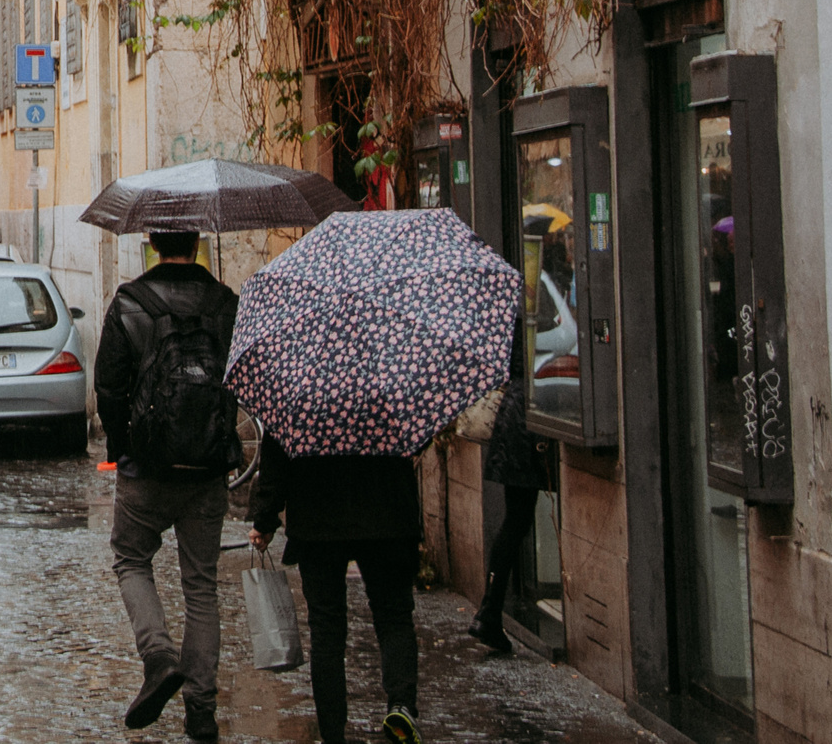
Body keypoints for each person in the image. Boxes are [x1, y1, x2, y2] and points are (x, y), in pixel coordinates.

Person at [95, 230, 243, 738]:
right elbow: (240, 381)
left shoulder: (130, 304)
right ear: (197, 242)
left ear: (154, 244)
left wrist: (123, 448)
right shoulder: (226, 303)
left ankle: (158, 657)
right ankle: (202, 710)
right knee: (201, 586)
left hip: (147, 468)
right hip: (207, 470)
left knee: (131, 559)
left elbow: (109, 389)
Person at [249, 432, 427, 744]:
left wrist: (265, 519)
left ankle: (332, 732)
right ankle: (401, 704)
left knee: (326, 630)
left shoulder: (302, 388)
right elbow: (417, 437)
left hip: (318, 520)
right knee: (394, 618)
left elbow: (277, 455)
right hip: (387, 516)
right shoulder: (390, 386)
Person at [470, 365, 553, 654]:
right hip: (528, 415)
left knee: (514, 520)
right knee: (517, 520)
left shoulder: (503, 323)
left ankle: (489, 609)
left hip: (513, 414)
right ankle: (489, 611)